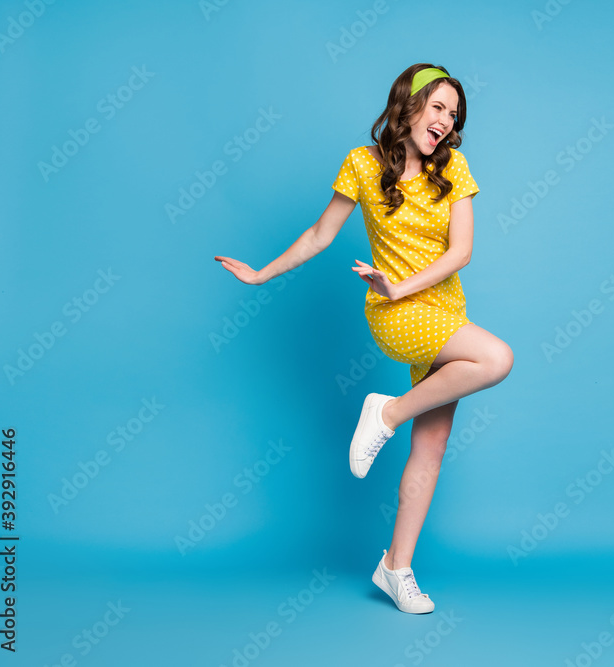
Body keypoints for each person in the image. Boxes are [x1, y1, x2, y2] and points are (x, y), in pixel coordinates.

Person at [214, 63, 514, 614]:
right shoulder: (362, 163)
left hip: (445, 310)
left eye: (454, 114)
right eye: (438, 107)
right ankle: (387, 412)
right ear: (410, 104)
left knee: (432, 447)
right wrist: (260, 275)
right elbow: (319, 234)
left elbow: (461, 253)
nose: (446, 121)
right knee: (496, 358)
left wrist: (405, 285)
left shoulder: (454, 168)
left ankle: (396, 568)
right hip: (396, 313)